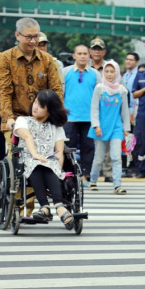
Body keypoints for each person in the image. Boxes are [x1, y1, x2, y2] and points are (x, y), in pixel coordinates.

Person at [14, 89, 74, 229]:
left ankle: (55, 206)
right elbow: (27, 137)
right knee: (37, 164)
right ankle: (49, 207)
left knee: (50, 165)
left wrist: (58, 169)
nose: (35, 107)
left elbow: (59, 152)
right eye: (35, 102)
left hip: (49, 161)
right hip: (28, 158)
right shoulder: (23, 121)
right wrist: (35, 155)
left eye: (41, 106)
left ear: (49, 111)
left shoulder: (56, 128)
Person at [0, 17, 63, 137]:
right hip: (16, 119)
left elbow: (56, 90)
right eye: (28, 37)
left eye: (36, 36)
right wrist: (8, 118)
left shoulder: (47, 59)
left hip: (43, 119)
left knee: (46, 155)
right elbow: (5, 91)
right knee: (17, 154)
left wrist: (58, 116)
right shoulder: (6, 58)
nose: (33, 41)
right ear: (17, 35)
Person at [88, 60, 130, 194]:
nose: (109, 74)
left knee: (116, 157)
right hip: (101, 127)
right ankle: (93, 180)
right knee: (99, 158)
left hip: (116, 127)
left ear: (117, 73)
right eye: (107, 71)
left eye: (112, 71)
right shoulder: (99, 88)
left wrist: (126, 129)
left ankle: (117, 185)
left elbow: (124, 111)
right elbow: (94, 108)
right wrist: (96, 125)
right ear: (103, 72)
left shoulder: (122, 90)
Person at [63, 44, 101, 184]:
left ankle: (85, 175)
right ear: (74, 56)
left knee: (88, 148)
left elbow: (99, 96)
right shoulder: (65, 72)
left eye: (85, 53)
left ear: (89, 56)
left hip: (89, 118)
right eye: (79, 53)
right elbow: (61, 93)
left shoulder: (95, 74)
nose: (83, 56)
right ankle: (69, 175)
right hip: (70, 117)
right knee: (68, 148)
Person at [89, 37, 112, 183]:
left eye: (99, 49)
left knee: (107, 141)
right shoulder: (85, 66)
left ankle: (108, 172)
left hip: (106, 109)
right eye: (94, 49)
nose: (96, 52)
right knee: (88, 143)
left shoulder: (110, 67)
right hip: (87, 108)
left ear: (104, 51)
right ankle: (89, 171)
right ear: (90, 51)